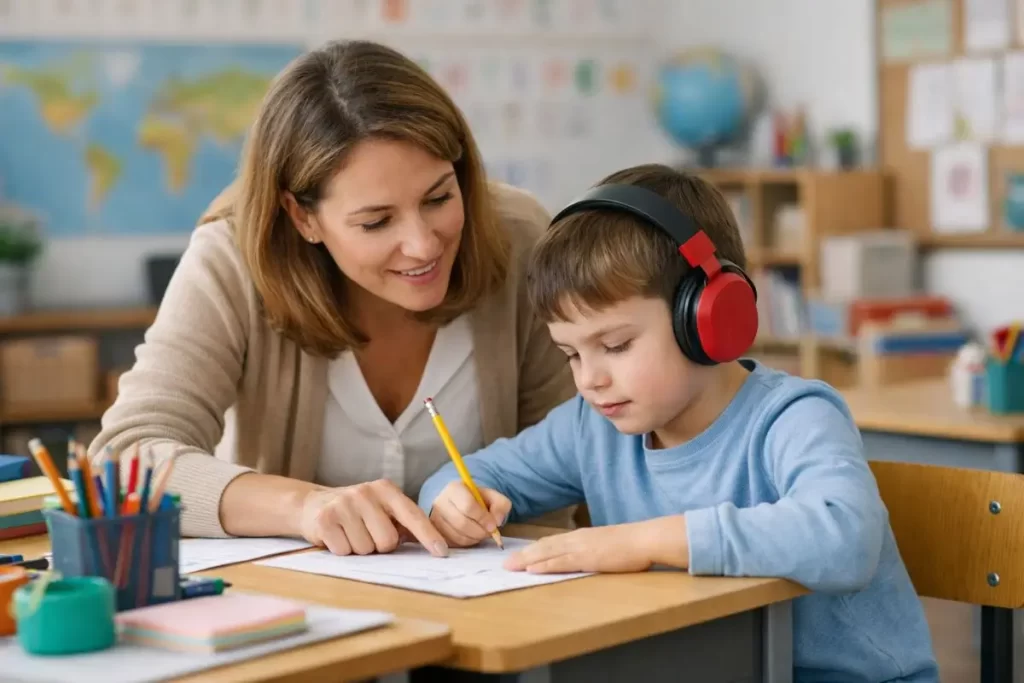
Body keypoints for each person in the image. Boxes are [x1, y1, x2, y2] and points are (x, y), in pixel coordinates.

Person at [418, 165, 939, 681]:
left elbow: (845, 537)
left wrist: (641, 542)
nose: (590, 379)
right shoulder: (593, 427)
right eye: (571, 354)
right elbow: (474, 474)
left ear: (709, 318)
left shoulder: (792, 417)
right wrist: (454, 499)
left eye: (616, 346)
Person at [89, 39, 575, 556]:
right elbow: (124, 463)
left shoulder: (519, 239)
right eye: (376, 221)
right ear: (303, 217)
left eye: (438, 198)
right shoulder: (232, 260)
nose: (423, 244)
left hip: (504, 601)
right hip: (302, 614)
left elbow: (573, 455)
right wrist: (302, 506)